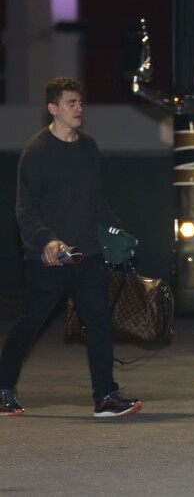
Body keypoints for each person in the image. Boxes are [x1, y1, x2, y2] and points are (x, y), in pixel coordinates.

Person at [0, 77, 141, 418]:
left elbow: (94, 198)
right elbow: (25, 208)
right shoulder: (37, 151)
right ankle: (3, 388)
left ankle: (105, 397)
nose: (79, 109)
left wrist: (116, 230)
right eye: (71, 103)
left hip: (89, 254)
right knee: (31, 322)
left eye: (80, 102)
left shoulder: (88, 146)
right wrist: (46, 239)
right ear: (53, 108)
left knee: (98, 321)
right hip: (49, 258)